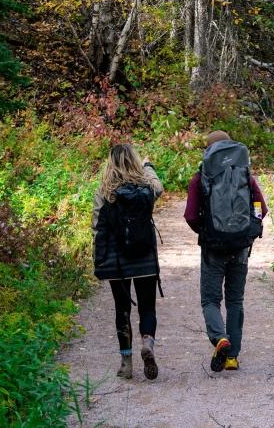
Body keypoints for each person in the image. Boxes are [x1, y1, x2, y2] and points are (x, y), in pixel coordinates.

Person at [184, 130, 268, 372]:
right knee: (235, 300)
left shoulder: (200, 178)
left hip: (213, 248)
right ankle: (232, 357)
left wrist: (207, 231)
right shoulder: (245, 175)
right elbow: (261, 209)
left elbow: (190, 215)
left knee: (210, 299)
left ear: (208, 152)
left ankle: (220, 337)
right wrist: (248, 230)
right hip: (241, 246)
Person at [92, 143, 164, 380]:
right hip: (144, 256)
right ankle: (148, 344)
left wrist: (100, 259)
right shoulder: (146, 187)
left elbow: (96, 227)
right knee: (147, 307)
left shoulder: (105, 192)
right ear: (134, 161)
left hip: (117, 262)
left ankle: (126, 363)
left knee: (121, 309)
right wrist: (148, 167)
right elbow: (159, 187)